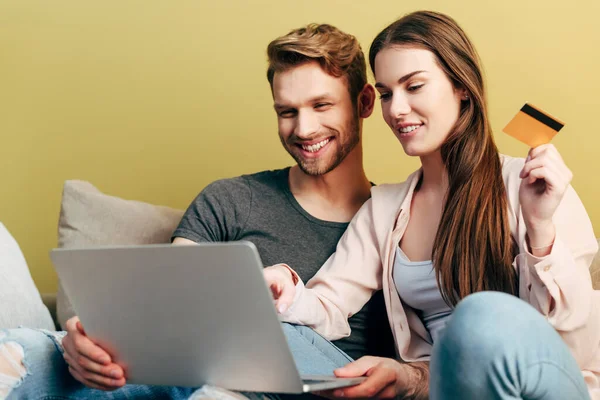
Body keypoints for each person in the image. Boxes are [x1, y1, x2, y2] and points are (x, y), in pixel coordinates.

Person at [0, 23, 398, 399]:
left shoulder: (393, 223)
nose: (304, 129)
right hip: (181, 379)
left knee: (267, 341)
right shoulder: (232, 199)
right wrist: (84, 337)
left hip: (305, 385)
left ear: (363, 102)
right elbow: (162, 310)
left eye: (321, 105)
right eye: (287, 112)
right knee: (27, 352)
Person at [264, 10, 600, 400]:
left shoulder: (529, 185)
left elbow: (578, 347)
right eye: (387, 94)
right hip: (447, 389)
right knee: (281, 335)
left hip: (550, 384)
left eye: (414, 86)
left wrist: (540, 228)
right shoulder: (384, 208)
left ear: (461, 85)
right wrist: (282, 291)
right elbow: (329, 304)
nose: (397, 110)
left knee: (478, 316)